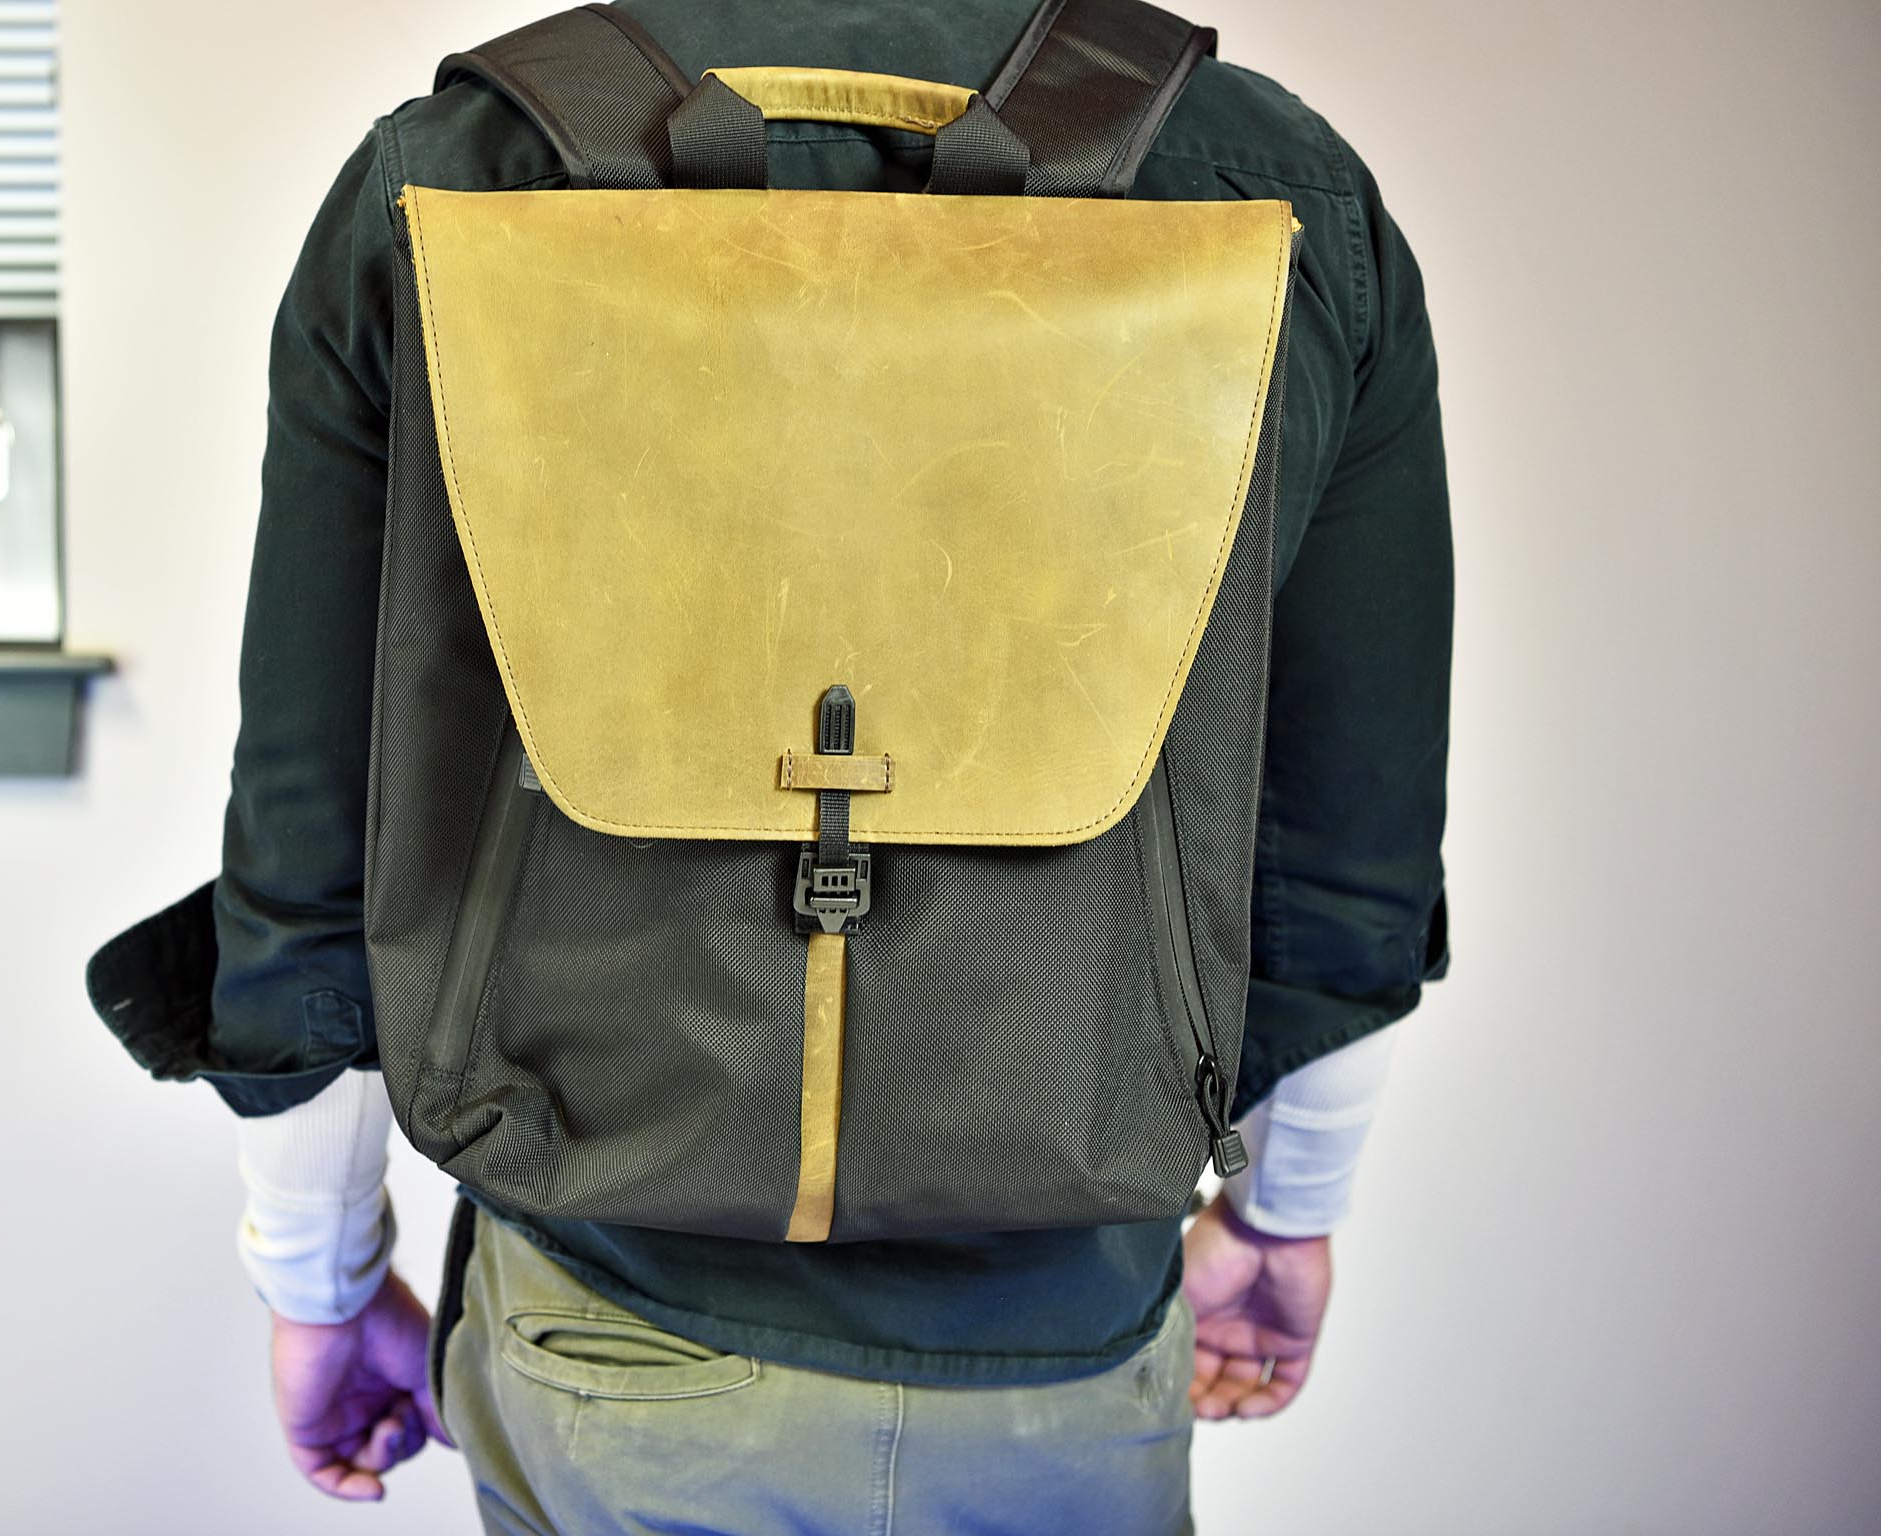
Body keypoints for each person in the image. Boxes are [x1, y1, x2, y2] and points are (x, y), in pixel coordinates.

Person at [168, 0, 1451, 1528]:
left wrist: (320, 1277)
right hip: (1070, 1354)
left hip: (616, 1334)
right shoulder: (1274, 185)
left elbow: (312, 820)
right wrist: (1286, 1213)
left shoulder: (455, 170)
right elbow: (1345, 838)